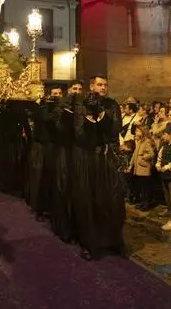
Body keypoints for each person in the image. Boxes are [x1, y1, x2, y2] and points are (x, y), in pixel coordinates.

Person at [72, 75, 125, 260]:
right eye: (99, 84)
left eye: (105, 85)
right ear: (92, 85)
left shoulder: (112, 104)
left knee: (112, 200)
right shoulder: (81, 105)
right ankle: (90, 243)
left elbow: (115, 129)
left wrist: (102, 118)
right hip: (89, 158)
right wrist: (91, 120)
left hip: (107, 157)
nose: (103, 87)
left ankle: (113, 240)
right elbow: (79, 134)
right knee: (90, 200)